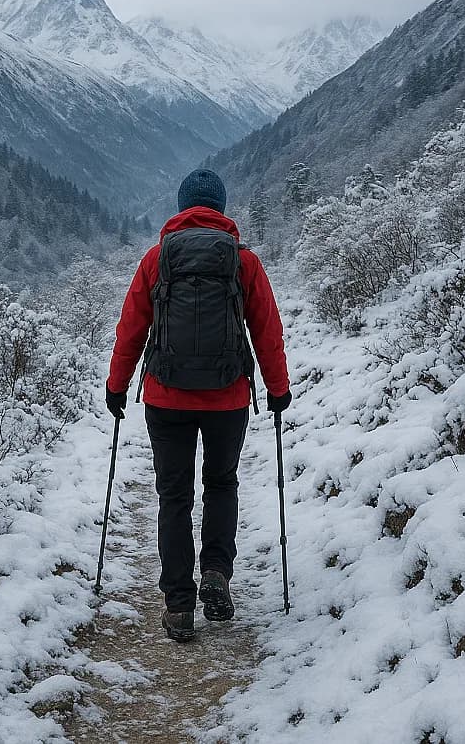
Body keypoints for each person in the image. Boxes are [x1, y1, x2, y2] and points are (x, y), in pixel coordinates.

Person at [106, 169, 291, 642]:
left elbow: (131, 329)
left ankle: (178, 606)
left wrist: (117, 385)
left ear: (182, 207)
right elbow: (267, 332)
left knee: (174, 496)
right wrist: (277, 388)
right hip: (227, 397)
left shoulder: (156, 259)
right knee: (221, 484)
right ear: (221, 210)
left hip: (166, 396)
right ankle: (216, 573)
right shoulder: (244, 263)